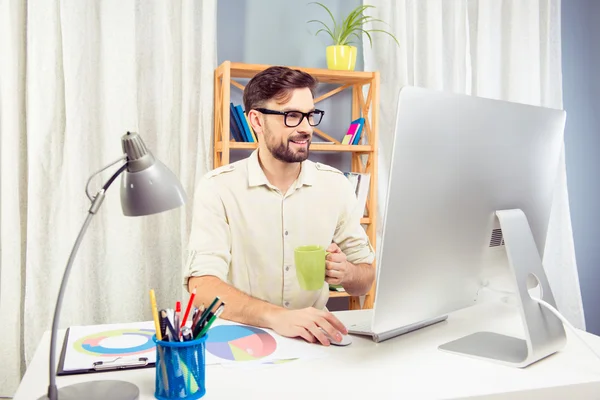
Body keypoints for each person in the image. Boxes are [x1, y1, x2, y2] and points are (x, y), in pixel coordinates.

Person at [184, 65, 375, 346]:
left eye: (310, 116)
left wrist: (347, 272)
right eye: (292, 116)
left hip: (314, 339)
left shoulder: (335, 186)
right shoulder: (218, 188)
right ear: (257, 122)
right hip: (239, 339)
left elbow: (366, 277)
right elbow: (201, 287)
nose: (306, 128)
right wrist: (277, 317)